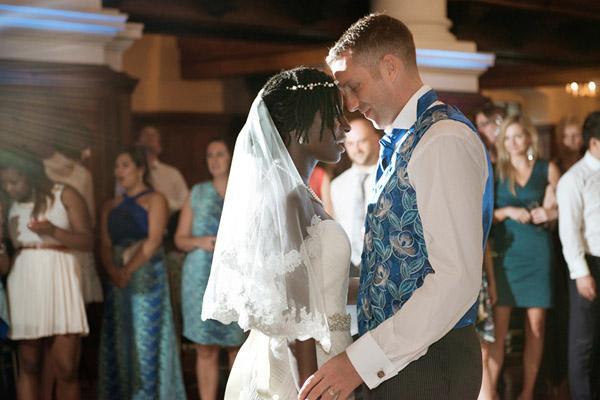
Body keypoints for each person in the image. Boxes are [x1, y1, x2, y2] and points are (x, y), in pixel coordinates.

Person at [300, 13, 494, 400]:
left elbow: (455, 280)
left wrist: (359, 362)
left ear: (390, 66)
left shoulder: (442, 140)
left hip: (432, 360)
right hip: (402, 355)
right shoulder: (402, 140)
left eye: (353, 86)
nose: (350, 104)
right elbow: (402, 266)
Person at [201, 67, 352, 399]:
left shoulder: (301, 196)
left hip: (327, 358)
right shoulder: (287, 201)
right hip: (302, 370)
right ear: (300, 128)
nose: (345, 125)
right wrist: (311, 389)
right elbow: (297, 316)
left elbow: (322, 286)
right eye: (333, 115)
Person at [0, 149, 91, 400]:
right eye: (4, 183)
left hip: (60, 276)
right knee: (29, 363)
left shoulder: (64, 194)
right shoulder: (9, 205)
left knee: (66, 367)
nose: (9, 188)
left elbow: (87, 241)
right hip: (24, 279)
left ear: (30, 175)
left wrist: (54, 231)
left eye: (14, 181)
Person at [97, 146, 185, 400]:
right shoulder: (109, 205)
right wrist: (113, 271)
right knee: (119, 340)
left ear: (140, 169)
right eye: (116, 166)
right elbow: (105, 244)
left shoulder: (156, 199)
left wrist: (127, 269)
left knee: (146, 342)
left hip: (147, 279)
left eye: (125, 165)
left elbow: (154, 240)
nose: (119, 171)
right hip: (117, 280)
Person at [488, 115, 560, 400]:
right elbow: (484, 215)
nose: (513, 142)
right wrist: (507, 212)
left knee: (536, 327)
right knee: (499, 329)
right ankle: (490, 391)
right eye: (507, 138)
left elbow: (565, 208)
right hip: (506, 256)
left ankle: (527, 391)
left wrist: (551, 213)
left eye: (518, 136)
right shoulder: (496, 170)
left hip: (538, 253)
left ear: (529, 137)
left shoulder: (547, 168)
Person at [175, 137, 245, 400]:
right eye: (210, 155)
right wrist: (199, 241)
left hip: (237, 276)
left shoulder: (245, 188)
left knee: (236, 345)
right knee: (205, 347)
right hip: (200, 278)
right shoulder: (197, 192)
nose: (215, 160)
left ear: (231, 157)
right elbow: (179, 239)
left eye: (220, 154)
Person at [557, 111, 600, 400]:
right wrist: (581, 273)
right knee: (583, 343)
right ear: (594, 142)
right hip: (589, 264)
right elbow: (569, 231)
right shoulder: (574, 179)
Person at [330, 118, 380, 274]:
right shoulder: (337, 185)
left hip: (383, 261)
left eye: (362, 141)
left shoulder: (390, 178)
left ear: (376, 140)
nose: (356, 149)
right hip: (347, 266)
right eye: (350, 144)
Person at [136, 126, 189, 214]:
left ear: (159, 147)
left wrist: (163, 203)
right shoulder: (128, 173)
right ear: (137, 144)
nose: (149, 139)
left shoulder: (173, 174)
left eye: (153, 136)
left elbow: (186, 204)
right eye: (146, 135)